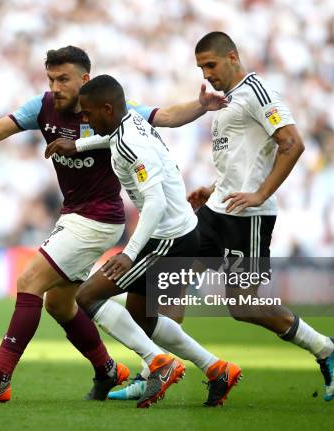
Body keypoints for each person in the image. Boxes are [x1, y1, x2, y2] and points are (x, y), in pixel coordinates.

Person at [0, 46, 228, 403]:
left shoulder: (109, 109)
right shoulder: (42, 106)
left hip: (98, 217)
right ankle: (108, 370)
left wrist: (201, 105)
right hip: (75, 214)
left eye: (63, 79)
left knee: (30, 281)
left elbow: (167, 116)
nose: (56, 87)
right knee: (60, 305)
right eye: (51, 79)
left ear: (85, 80)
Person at [187, 32, 334, 402]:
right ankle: (165, 369)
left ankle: (325, 347)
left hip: (249, 216)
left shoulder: (259, 93)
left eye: (210, 65)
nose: (206, 73)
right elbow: (244, 159)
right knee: (170, 283)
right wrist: (213, 189)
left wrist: (261, 194)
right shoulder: (226, 101)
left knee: (242, 305)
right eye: (201, 68)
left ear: (232, 56)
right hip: (217, 209)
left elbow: (292, 143)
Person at [68, 74, 241, 409]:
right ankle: (218, 369)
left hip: (168, 238)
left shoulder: (133, 144)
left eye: (88, 114)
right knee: (141, 316)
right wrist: (76, 145)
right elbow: (111, 140)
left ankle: (160, 363)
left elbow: (156, 202)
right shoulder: (127, 121)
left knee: (87, 296)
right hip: (180, 232)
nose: (85, 121)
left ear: (107, 108)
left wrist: (130, 253)